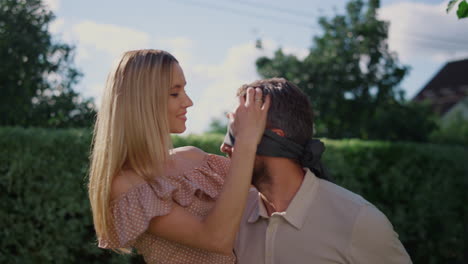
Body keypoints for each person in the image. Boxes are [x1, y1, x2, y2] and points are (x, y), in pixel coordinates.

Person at [87, 49, 270, 263]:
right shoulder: (127, 185)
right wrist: (245, 142)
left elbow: (268, 197)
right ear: (142, 102)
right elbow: (216, 239)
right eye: (175, 94)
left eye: (184, 90)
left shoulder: (197, 160)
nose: (188, 102)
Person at [220, 78, 412, 264]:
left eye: (237, 132)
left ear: (272, 140)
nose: (224, 147)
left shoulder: (358, 221)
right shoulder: (233, 217)